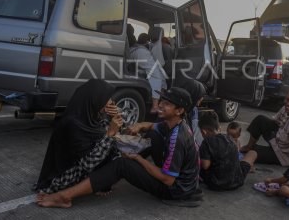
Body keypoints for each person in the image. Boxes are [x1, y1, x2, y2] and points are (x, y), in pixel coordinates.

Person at [36, 87, 202, 208]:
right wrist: (139, 125)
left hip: (175, 190)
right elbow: (153, 126)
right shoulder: (175, 123)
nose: (160, 105)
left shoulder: (178, 138)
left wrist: (137, 159)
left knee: (122, 165)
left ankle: (65, 197)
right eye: (162, 101)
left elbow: (168, 179)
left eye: (166, 104)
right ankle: (108, 175)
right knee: (151, 136)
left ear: (179, 110)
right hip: (182, 182)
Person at [35, 79, 123, 194]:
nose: (111, 102)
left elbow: (104, 135)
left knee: (118, 156)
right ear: (94, 99)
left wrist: (114, 118)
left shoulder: (90, 115)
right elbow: (88, 163)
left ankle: (101, 184)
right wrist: (110, 133)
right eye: (107, 99)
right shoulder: (72, 123)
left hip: (81, 169)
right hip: (64, 178)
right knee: (119, 164)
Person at [240, 87, 289, 166]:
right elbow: (274, 122)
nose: (288, 104)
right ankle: (249, 146)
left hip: (283, 155)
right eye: (287, 99)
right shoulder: (286, 108)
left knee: (253, 152)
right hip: (278, 140)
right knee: (260, 120)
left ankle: (248, 160)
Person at [198, 113, 257, 191]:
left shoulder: (206, 142)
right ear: (219, 128)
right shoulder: (231, 139)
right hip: (237, 181)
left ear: (203, 132)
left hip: (215, 184)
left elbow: (205, 165)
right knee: (253, 153)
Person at [129, 32, 166, 114]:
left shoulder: (132, 46)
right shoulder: (150, 46)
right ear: (147, 41)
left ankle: (161, 102)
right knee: (157, 75)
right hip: (141, 53)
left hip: (132, 53)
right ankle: (155, 106)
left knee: (160, 75)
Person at [175, 78, 206, 145]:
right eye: (199, 99)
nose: (198, 104)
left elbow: (196, 133)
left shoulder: (193, 109)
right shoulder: (176, 109)